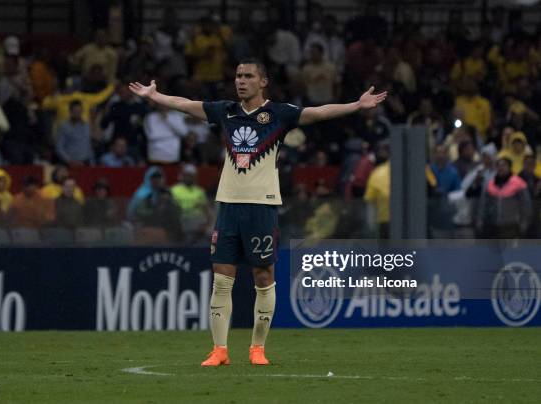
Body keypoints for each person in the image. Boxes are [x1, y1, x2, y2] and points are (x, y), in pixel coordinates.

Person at [129, 58, 386, 366]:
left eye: (248, 76)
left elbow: (317, 113)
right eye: (238, 75)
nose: (241, 80)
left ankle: (257, 348)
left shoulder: (278, 114)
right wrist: (155, 97)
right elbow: (187, 105)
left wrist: (356, 105)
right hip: (227, 205)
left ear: (263, 82)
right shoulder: (226, 111)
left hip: (262, 206)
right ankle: (219, 350)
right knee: (222, 280)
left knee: (263, 276)